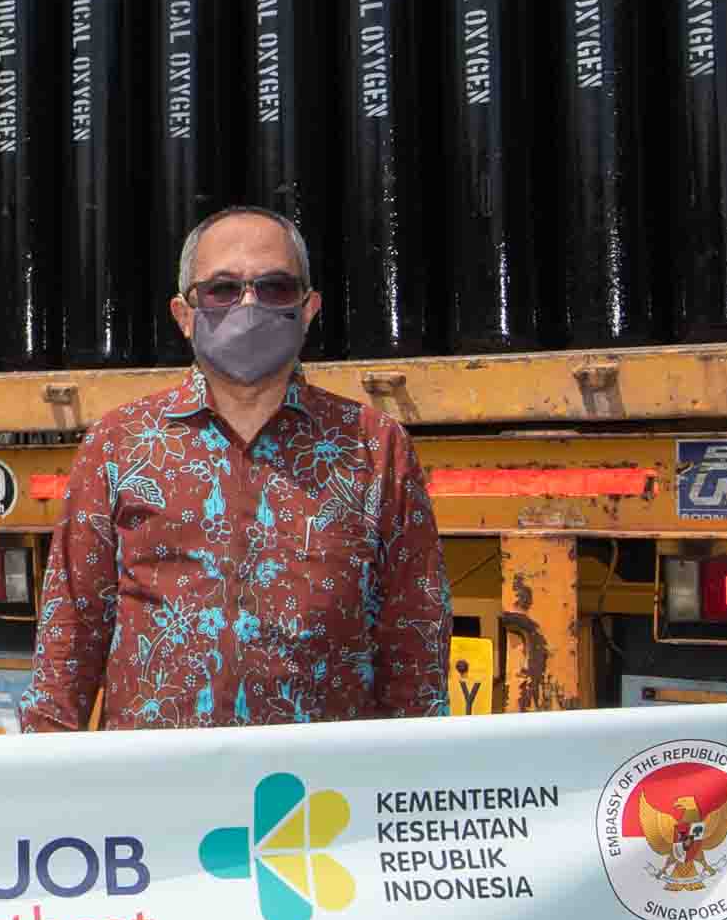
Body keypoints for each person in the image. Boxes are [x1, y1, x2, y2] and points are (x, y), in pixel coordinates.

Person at [24, 204, 451, 730]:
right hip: (158, 792)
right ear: (184, 314)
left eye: (274, 288)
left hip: (319, 799)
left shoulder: (373, 448)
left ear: (309, 308)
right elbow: (72, 632)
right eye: (222, 290)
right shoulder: (120, 445)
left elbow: (415, 639)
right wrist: (41, 775)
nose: (249, 305)